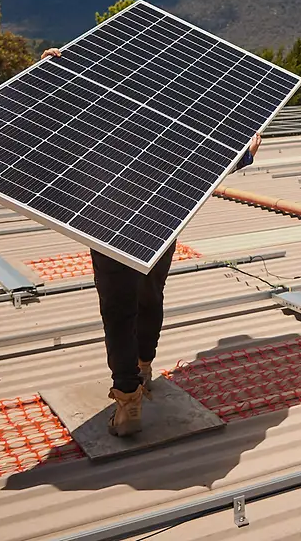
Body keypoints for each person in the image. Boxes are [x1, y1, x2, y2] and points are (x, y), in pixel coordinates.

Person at [39, 47, 263, 436]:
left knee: (119, 309)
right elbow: (210, 154)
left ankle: (128, 400)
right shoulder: (171, 113)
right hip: (160, 218)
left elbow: (68, 121)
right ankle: (143, 370)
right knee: (149, 296)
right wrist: (243, 153)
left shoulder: (107, 111)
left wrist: (57, 73)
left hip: (106, 215)